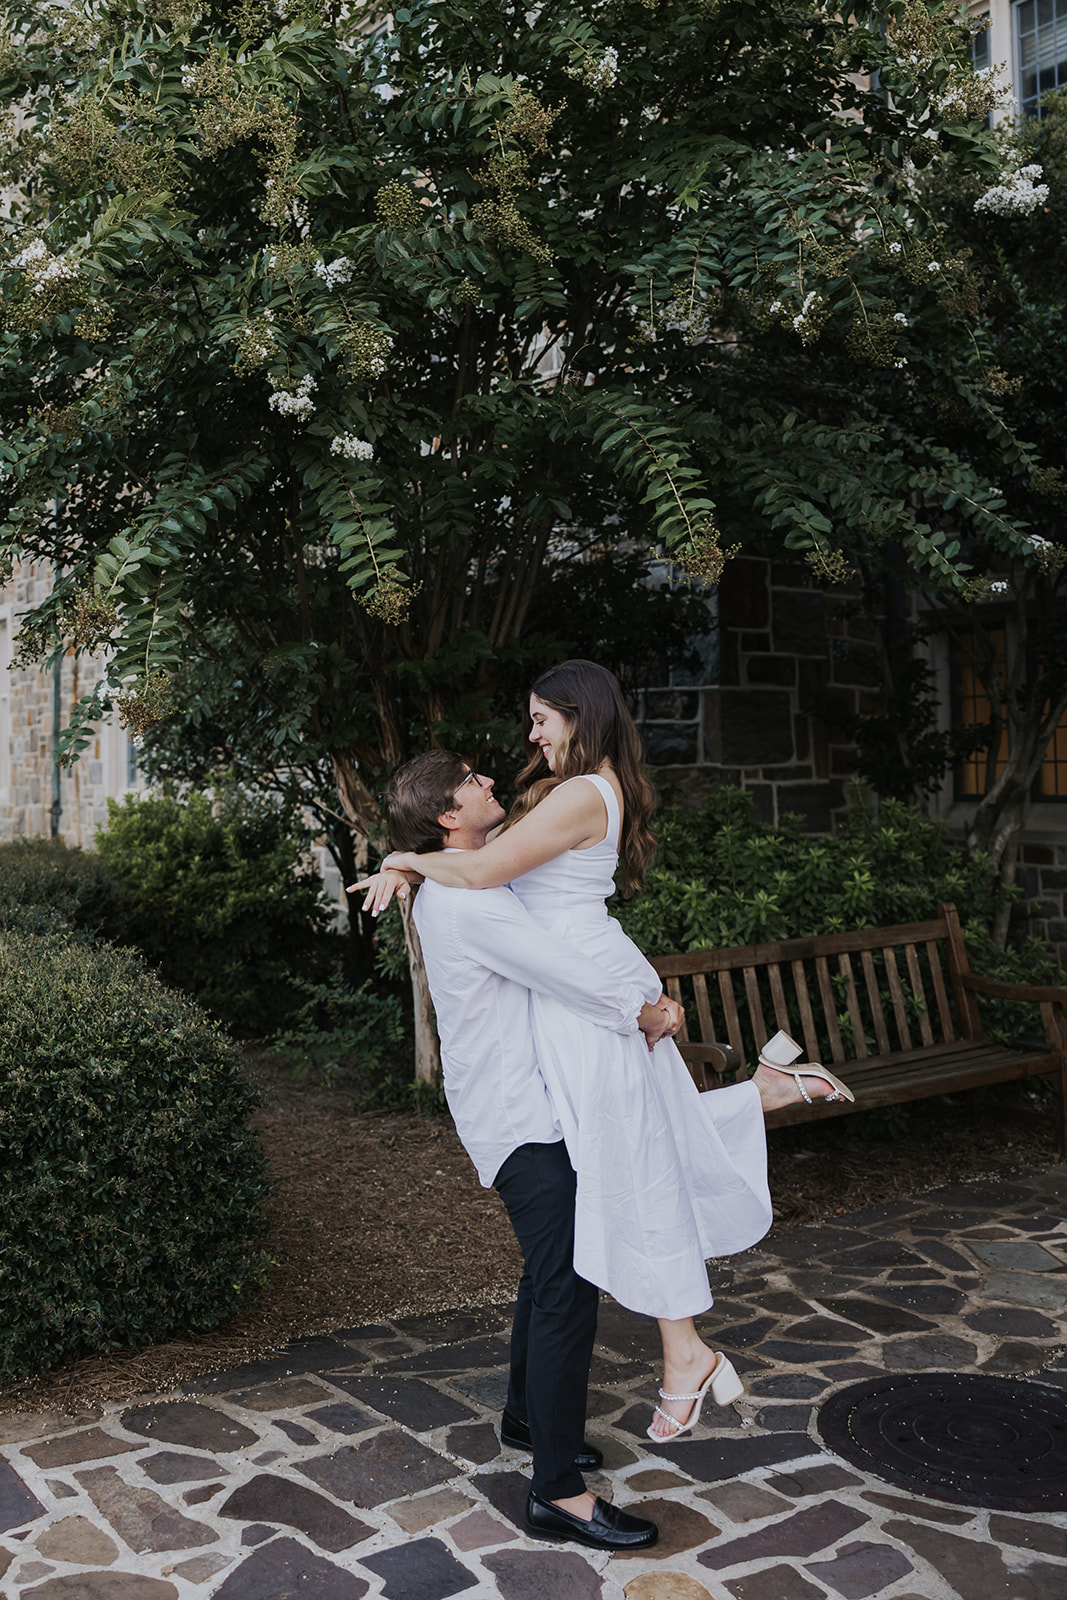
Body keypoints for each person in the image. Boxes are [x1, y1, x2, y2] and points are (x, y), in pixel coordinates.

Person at [358, 660, 853, 1447]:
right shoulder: (578, 794)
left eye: (540, 719)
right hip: (583, 996)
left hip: (587, 995)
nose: (528, 736)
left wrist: (405, 858)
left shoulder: (578, 794)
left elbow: (486, 869)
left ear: (576, 716)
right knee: (638, 1148)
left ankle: (683, 1352)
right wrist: (409, 857)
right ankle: (762, 1099)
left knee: (634, 1159)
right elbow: (488, 878)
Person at [378, 746, 683, 1552]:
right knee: (566, 1288)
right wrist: (647, 1010)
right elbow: (568, 973)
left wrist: (403, 863)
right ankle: (556, 1493)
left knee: (548, 1272)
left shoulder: (468, 878)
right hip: (520, 1118)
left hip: (526, 1107)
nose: (490, 784)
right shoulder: (470, 901)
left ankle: (523, 1418)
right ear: (451, 817)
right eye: (473, 784)